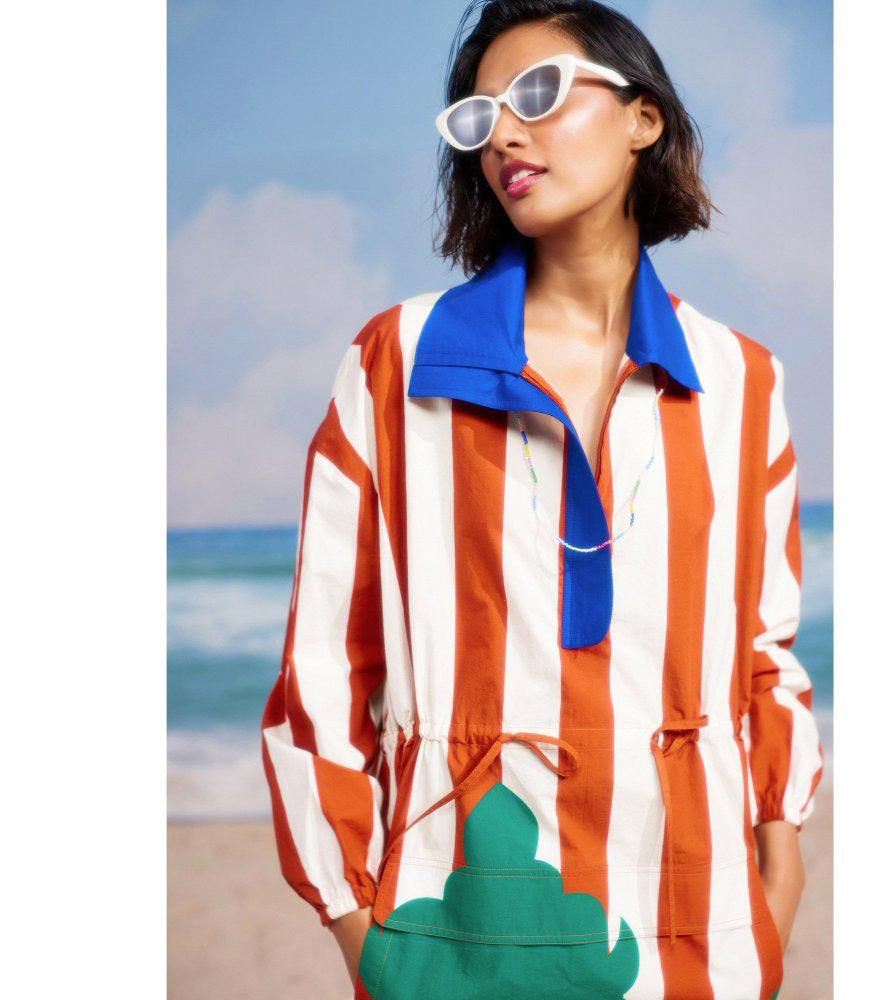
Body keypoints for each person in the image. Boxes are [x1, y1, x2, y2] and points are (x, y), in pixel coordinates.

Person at [260, 2, 824, 998]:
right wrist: (362, 931)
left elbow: (761, 656)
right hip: (451, 932)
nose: (504, 136)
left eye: (536, 93)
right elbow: (323, 671)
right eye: (478, 118)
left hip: (707, 929)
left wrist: (779, 876)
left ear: (643, 116)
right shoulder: (398, 361)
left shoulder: (743, 379)